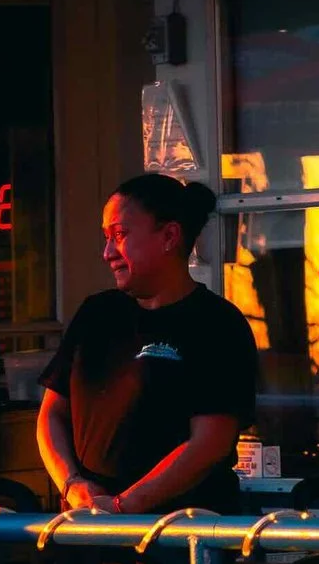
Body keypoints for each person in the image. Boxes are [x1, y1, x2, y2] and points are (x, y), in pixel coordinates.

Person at [38, 173, 257, 516]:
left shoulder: (217, 323)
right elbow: (51, 413)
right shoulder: (96, 314)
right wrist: (72, 484)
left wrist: (125, 507)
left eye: (120, 235)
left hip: (182, 541)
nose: (108, 252)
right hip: (88, 536)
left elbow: (210, 442)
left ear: (169, 236)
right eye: (106, 238)